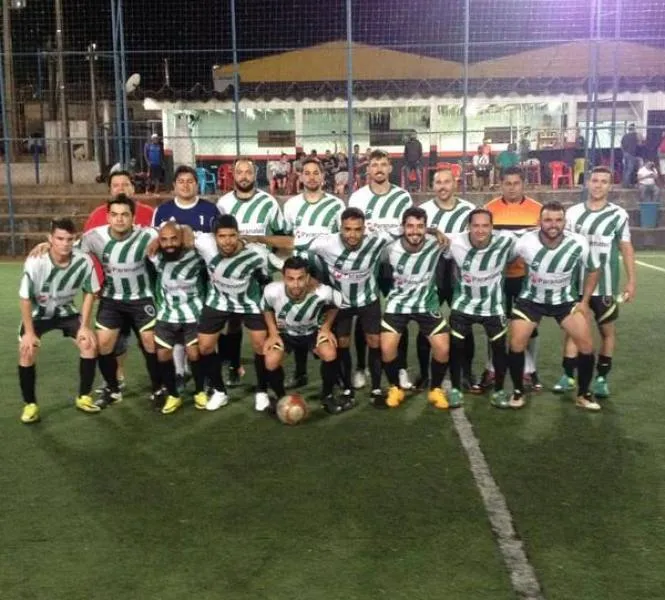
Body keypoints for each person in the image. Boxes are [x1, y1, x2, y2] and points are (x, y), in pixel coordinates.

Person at [244, 207, 401, 408]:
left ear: (364, 229)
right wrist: (260, 239)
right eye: (347, 229)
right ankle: (346, 389)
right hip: (340, 300)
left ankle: (376, 388)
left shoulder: (378, 239)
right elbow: (291, 242)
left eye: (357, 229)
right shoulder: (326, 242)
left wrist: (434, 232)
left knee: (374, 341)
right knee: (342, 344)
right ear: (340, 228)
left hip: (368, 299)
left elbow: (407, 229)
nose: (352, 234)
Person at [507, 201, 601, 411]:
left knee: (586, 346)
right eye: (548, 220)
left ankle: (584, 394)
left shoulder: (578, 242)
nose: (553, 225)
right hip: (531, 300)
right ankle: (518, 391)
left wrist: (584, 302)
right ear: (539, 221)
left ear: (564, 222)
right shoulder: (525, 241)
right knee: (516, 344)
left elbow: (594, 269)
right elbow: (504, 260)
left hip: (565, 301)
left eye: (558, 220)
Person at [553, 166, 636, 400]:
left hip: (606, 285)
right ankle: (568, 376)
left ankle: (601, 378)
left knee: (606, 331)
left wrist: (631, 281)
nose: (599, 185)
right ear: (587, 183)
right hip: (576, 283)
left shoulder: (619, 214)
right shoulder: (572, 213)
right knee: (573, 330)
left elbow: (626, 247)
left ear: (610, 186)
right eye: (595, 180)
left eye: (604, 181)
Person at [191, 214, 284, 412]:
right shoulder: (205, 243)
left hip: (249, 303)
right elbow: (182, 233)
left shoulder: (257, 253)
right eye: (222, 236)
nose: (227, 241)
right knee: (205, 347)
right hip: (218, 301)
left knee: (260, 344)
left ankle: (261, 391)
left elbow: (280, 267)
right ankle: (219, 391)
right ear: (214, 236)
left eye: (232, 235)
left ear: (238, 234)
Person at [79, 194, 161, 408]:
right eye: (114, 215)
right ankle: (113, 389)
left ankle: (159, 387)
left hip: (142, 299)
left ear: (133, 217)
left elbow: (176, 234)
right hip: (111, 299)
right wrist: (43, 246)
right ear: (108, 216)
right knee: (103, 344)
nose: (119, 219)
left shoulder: (148, 235)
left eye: (125, 215)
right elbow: (71, 253)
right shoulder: (93, 237)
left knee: (151, 343)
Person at [18, 218, 100, 423]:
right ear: (50, 239)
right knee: (28, 350)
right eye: (59, 238)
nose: (64, 243)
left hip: (66, 311)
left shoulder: (83, 261)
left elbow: (90, 292)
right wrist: (28, 333)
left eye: (69, 239)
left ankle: (84, 396)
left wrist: (85, 326)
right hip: (39, 313)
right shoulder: (36, 261)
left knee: (89, 344)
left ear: (75, 239)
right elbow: (25, 298)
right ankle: (30, 404)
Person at [216, 157, 286, 387]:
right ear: (233, 176)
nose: (244, 176)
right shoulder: (223, 204)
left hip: (261, 275)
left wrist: (272, 259)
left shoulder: (269, 202)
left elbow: (281, 234)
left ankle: (269, 371)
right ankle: (234, 367)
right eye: (240, 172)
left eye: (248, 172)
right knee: (232, 322)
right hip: (231, 275)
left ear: (255, 175)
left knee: (266, 324)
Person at [348, 149, 413, 391]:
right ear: (368, 169)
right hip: (367, 266)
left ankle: (402, 367)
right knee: (362, 316)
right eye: (374, 164)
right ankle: (360, 368)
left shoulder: (403, 197)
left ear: (389, 168)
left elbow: (408, 230)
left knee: (400, 316)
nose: (378, 168)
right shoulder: (357, 198)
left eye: (383, 164)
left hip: (396, 266)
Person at [152, 164, 221, 392]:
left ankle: (208, 375)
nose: (185, 185)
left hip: (204, 276)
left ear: (197, 184)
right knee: (177, 325)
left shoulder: (210, 210)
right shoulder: (163, 211)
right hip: (173, 279)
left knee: (203, 328)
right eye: (180, 181)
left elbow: (215, 241)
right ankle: (180, 372)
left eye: (190, 181)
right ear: (174, 186)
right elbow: (155, 240)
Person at [281, 156, 345, 388]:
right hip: (300, 277)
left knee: (328, 322)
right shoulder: (291, 206)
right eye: (306, 172)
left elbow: (342, 238)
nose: (311, 176)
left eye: (315, 172)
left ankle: (335, 374)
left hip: (326, 274)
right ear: (300, 176)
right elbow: (286, 239)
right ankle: (300, 372)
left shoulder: (336, 206)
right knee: (300, 321)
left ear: (322, 176)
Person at [443, 209, 516, 408]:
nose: (480, 230)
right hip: (463, 304)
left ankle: (499, 391)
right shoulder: (456, 242)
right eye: (476, 225)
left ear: (492, 227)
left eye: (485, 226)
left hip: (493, 307)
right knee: (456, 348)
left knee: (500, 349)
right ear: (468, 227)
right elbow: (436, 239)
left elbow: (533, 236)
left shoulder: (506, 241)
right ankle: (456, 389)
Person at [380, 207, 451, 410]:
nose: (415, 231)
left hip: (426, 303)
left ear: (426, 228)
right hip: (398, 303)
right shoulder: (390, 248)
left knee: (443, 347)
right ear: (403, 227)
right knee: (386, 347)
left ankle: (436, 389)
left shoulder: (436, 243)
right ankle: (395, 387)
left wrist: (436, 232)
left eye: (420, 226)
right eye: (410, 226)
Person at [418, 167, 477, 392]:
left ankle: (465, 372)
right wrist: (433, 231)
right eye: (437, 182)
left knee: (464, 324)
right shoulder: (423, 210)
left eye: (446, 182)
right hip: (431, 272)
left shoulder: (468, 210)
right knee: (426, 325)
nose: (442, 186)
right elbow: (412, 231)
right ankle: (424, 374)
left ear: (455, 184)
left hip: (458, 274)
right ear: (433, 186)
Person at [261, 256, 344, 414]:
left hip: (312, 332)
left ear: (307, 277)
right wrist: (272, 333)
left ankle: (327, 396)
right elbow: (266, 308)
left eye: (300, 278)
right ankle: (280, 399)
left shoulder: (322, 292)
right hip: (286, 333)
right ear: (283, 277)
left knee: (330, 353)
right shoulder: (272, 291)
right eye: (290, 279)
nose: (296, 284)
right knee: (271, 360)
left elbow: (336, 304)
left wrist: (326, 328)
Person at [484, 166, 542, 390]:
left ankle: (530, 370)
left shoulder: (537, 210)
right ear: (500, 185)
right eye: (507, 184)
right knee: (494, 324)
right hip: (496, 279)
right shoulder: (490, 209)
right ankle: (491, 368)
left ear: (523, 184)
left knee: (529, 326)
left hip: (526, 279)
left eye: (516, 183)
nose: (512, 188)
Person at [147, 222, 208, 415]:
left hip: (193, 312)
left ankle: (200, 391)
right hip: (167, 313)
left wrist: (189, 232)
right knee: (162, 355)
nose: (169, 244)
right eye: (164, 240)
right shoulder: (155, 256)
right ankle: (173, 395)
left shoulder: (196, 255)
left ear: (181, 238)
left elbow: (202, 237)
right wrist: (156, 241)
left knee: (194, 354)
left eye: (174, 238)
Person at [620, 124, 639, 188]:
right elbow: (640, 141)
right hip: (631, 154)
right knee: (630, 169)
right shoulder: (635, 135)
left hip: (625, 153)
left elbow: (621, 145)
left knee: (625, 169)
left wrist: (624, 152)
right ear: (634, 128)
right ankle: (627, 184)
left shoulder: (625, 136)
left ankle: (624, 183)